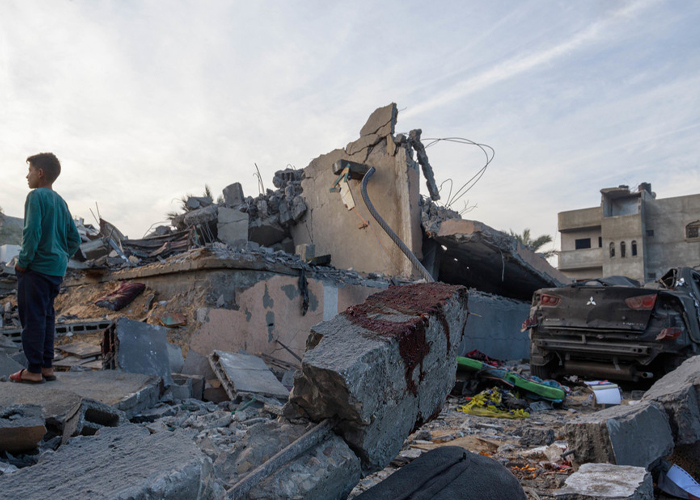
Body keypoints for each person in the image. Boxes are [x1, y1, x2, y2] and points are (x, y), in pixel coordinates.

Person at [10, 153, 81, 384]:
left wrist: (23, 262)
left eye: (29, 170)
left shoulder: (35, 196)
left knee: (32, 319)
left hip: (36, 269)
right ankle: (47, 367)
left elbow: (31, 233)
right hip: (54, 272)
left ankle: (33, 371)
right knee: (47, 317)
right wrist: (60, 258)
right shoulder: (61, 202)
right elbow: (74, 239)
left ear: (40, 173)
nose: (26, 175)